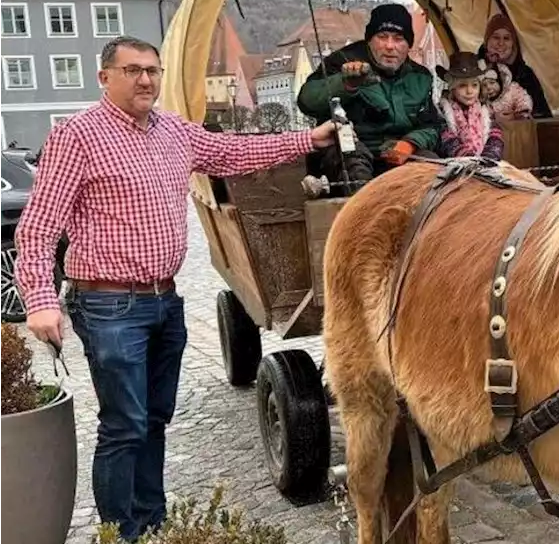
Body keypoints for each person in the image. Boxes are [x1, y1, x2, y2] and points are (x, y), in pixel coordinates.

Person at [14, 35, 339, 543]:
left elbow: (233, 152)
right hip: (107, 303)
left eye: (152, 70)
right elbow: (37, 227)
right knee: (125, 424)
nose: (146, 79)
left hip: (165, 300)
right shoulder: (77, 136)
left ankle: (153, 523)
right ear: (105, 78)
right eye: (132, 71)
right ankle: (120, 534)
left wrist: (306, 141)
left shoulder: (173, 132)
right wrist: (39, 299)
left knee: (156, 419)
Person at [296, 3, 444, 191]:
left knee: (432, 169)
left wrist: (410, 143)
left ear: (408, 45)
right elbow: (307, 101)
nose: (390, 46)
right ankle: (361, 218)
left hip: (396, 152)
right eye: (382, 37)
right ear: (370, 40)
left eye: (399, 39)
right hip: (348, 150)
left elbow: (432, 125)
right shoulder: (341, 61)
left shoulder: (420, 77)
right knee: (355, 168)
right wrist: (345, 83)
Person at [477, 13, 551, 118]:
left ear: (513, 43)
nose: (501, 43)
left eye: (506, 38)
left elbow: (542, 114)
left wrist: (517, 117)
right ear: (487, 41)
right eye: (496, 37)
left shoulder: (525, 74)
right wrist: (493, 118)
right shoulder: (475, 71)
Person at [435, 52, 504, 160]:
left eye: (474, 85)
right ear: (453, 88)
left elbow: (495, 135)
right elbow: (446, 139)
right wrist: (467, 157)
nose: (470, 91)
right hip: (455, 164)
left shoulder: (485, 110)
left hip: (486, 162)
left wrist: (489, 156)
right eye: (462, 86)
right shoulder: (443, 111)